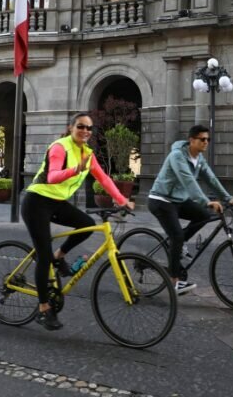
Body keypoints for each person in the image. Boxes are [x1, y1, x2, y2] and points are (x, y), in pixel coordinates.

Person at [21, 112, 135, 331]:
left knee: (87, 225)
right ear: (71, 127)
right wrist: (76, 169)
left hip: (57, 202)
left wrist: (123, 200)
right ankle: (44, 309)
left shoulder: (87, 154)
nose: (85, 131)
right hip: (37, 202)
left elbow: (104, 179)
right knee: (43, 256)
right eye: (81, 126)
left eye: (89, 128)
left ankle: (59, 256)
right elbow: (53, 176)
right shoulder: (60, 147)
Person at [148, 125, 233, 295]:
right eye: (202, 139)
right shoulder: (177, 156)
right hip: (161, 200)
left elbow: (211, 179)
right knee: (177, 235)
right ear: (192, 140)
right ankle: (174, 282)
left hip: (179, 200)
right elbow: (188, 181)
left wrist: (228, 198)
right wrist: (206, 201)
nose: (206, 142)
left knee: (204, 215)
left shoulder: (199, 159)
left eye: (208, 139)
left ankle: (176, 246)